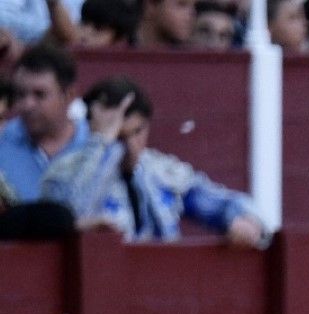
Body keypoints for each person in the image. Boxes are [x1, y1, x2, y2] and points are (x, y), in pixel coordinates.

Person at [42, 77, 267, 244]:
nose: (129, 146)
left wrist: (241, 219)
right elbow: (71, 214)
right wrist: (102, 144)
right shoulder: (64, 171)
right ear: (93, 129)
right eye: (119, 137)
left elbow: (219, 201)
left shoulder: (162, 172)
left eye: (137, 132)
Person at [1, 44, 88, 203]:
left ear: (68, 95)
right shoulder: (2, 142)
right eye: (20, 94)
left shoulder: (95, 146)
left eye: (39, 95)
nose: (28, 105)